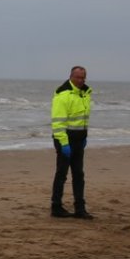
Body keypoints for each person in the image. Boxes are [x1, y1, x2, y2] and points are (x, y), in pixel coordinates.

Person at [50, 65, 94, 219]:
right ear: (71, 77)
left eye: (83, 78)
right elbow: (58, 122)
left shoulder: (85, 94)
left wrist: (84, 136)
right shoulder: (63, 95)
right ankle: (56, 206)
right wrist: (64, 143)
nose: (81, 80)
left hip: (79, 138)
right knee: (62, 173)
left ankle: (80, 208)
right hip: (65, 139)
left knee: (78, 174)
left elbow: (83, 119)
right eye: (78, 77)